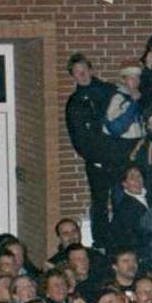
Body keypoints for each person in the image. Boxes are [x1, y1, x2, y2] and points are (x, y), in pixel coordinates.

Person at [64, 54, 117, 248]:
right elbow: (77, 136)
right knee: (100, 201)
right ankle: (101, 242)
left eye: (84, 70)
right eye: (77, 73)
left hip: (118, 157)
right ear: (73, 77)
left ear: (91, 70)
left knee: (121, 198)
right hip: (96, 160)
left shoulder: (110, 92)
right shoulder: (75, 103)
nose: (82, 75)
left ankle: (123, 239)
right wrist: (94, 157)